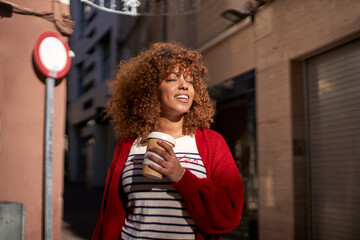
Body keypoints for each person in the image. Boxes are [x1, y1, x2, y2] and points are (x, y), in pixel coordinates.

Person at [92, 42, 244, 240]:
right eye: (172, 79)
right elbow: (110, 217)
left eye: (190, 81)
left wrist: (181, 177)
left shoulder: (211, 143)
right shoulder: (128, 145)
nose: (184, 85)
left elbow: (228, 215)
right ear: (150, 90)